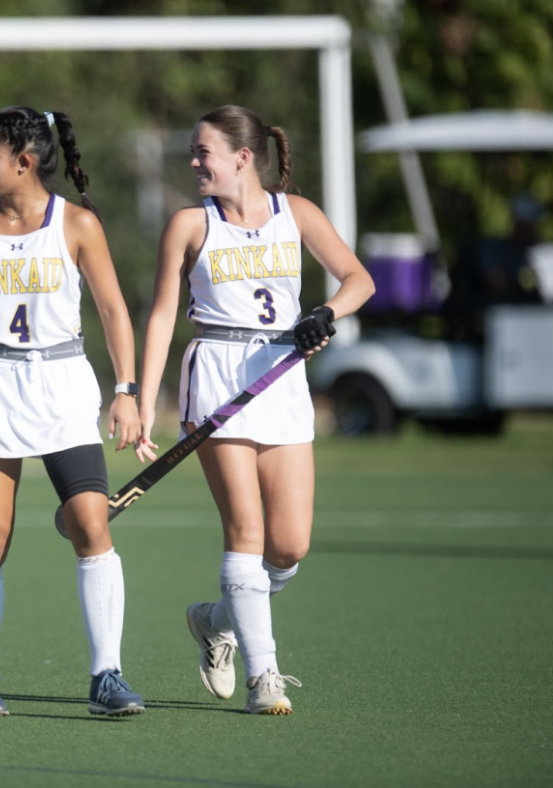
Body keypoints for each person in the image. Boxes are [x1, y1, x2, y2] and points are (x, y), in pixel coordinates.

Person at [135, 105, 374, 715]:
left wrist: (327, 313)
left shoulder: (297, 214)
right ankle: (264, 676)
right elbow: (162, 315)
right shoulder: (190, 224)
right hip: (216, 376)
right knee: (245, 530)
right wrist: (142, 401)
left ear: (243, 157)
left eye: (203, 152)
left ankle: (216, 621)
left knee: (289, 547)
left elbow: (357, 279)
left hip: (283, 377)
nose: (193, 162)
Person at [0, 106, 145, 718]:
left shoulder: (77, 223)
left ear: (24, 163)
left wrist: (125, 390)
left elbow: (112, 311)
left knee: (91, 527)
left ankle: (107, 674)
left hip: (62, 386)